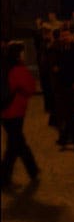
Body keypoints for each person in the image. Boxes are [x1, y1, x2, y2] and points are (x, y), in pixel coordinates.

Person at [1, 42, 39, 188]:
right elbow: (29, 87)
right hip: (15, 111)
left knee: (17, 142)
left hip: (6, 111)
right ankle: (4, 177)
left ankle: (32, 169)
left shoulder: (5, 67)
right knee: (14, 145)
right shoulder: (17, 69)